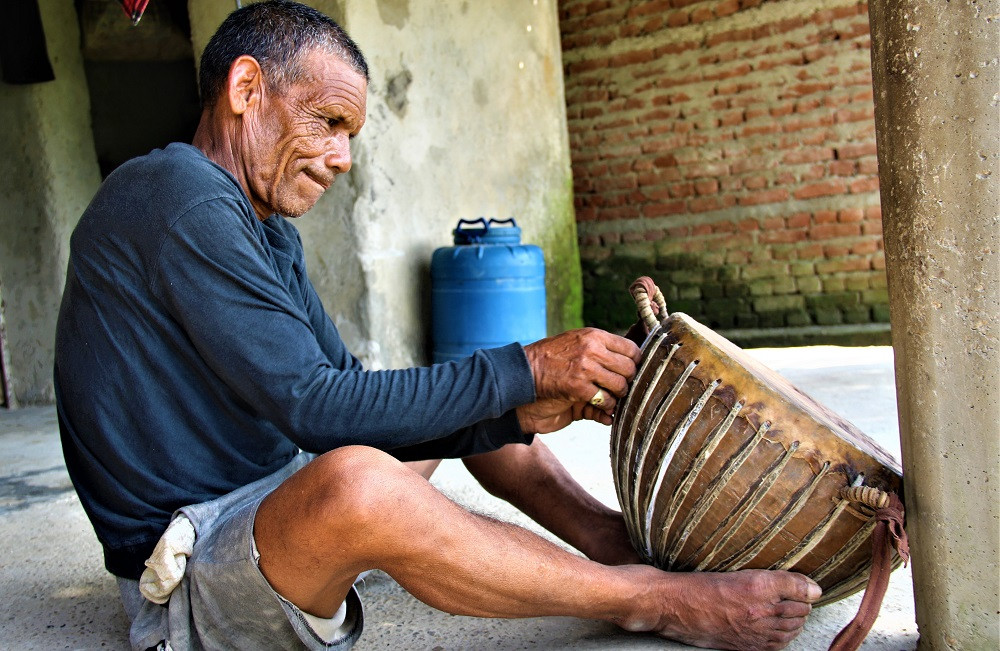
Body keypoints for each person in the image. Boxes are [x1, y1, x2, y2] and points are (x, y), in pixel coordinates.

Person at [54, 2, 821, 650]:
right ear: (247, 89)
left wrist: (514, 400)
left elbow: (350, 393)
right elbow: (313, 408)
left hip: (269, 502)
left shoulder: (259, 226)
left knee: (470, 404)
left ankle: (613, 540)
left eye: (349, 133)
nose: (343, 158)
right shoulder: (178, 195)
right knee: (365, 479)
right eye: (328, 122)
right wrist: (525, 367)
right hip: (188, 573)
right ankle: (648, 595)